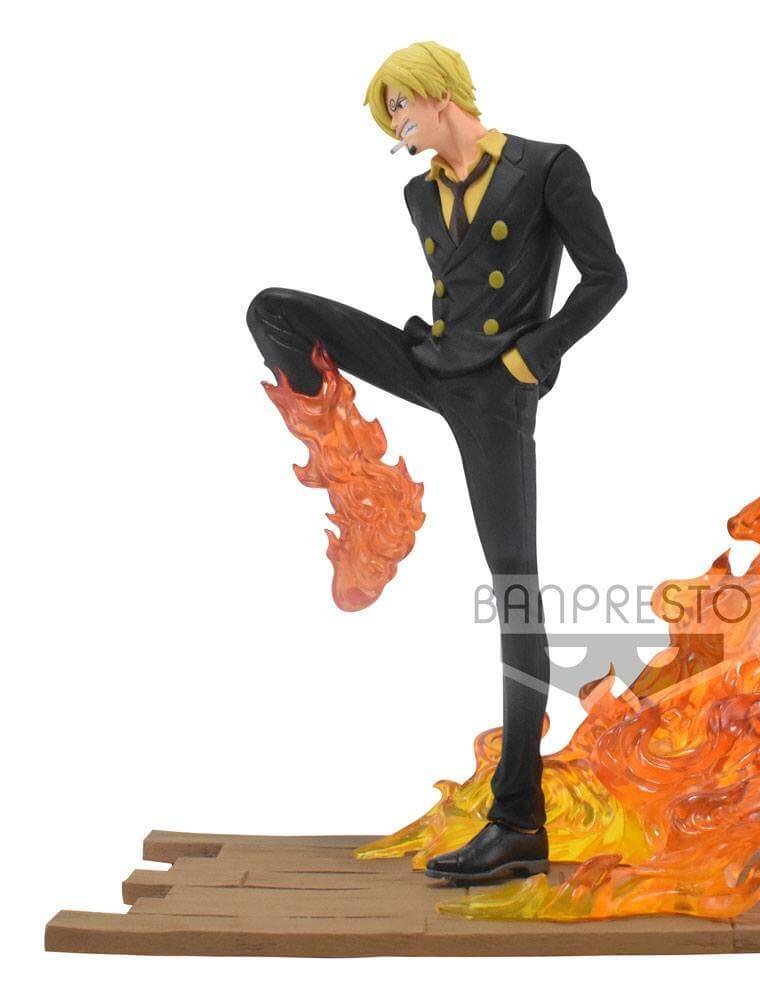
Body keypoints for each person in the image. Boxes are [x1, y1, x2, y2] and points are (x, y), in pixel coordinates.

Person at [245, 40, 627, 883]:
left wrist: (534, 356)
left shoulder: (547, 167)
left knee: (515, 588)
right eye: (387, 113)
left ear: (436, 93)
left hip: (496, 392)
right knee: (273, 311)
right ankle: (359, 482)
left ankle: (519, 820)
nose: (395, 123)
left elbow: (607, 278)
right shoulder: (418, 194)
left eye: (399, 106)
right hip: (433, 361)